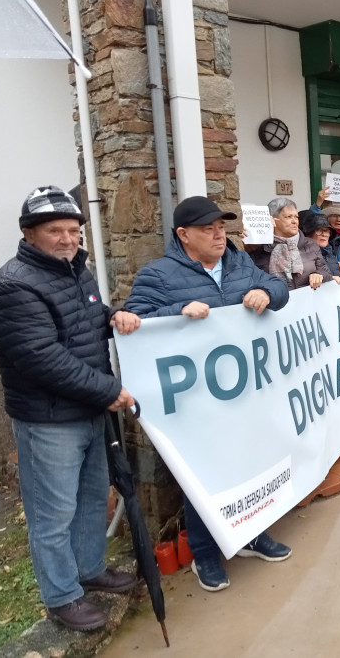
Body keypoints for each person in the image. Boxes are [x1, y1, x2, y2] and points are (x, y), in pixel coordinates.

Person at [0, 186, 140, 631]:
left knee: (91, 499)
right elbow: (42, 357)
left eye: (73, 230)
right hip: (48, 419)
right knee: (52, 513)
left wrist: (112, 316)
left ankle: (89, 570)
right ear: (28, 233)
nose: (68, 239)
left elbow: (83, 319)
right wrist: (108, 389)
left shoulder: (76, 271)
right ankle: (61, 595)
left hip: (88, 409)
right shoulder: (15, 284)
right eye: (56, 230)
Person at [126, 196, 292, 592]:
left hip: (245, 392)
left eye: (221, 227)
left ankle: (252, 533)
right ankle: (204, 554)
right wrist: (178, 308)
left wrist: (268, 295)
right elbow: (134, 322)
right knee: (206, 472)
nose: (219, 235)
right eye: (208, 229)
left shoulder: (239, 263)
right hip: (197, 400)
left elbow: (278, 287)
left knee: (250, 461)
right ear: (183, 235)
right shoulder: (158, 274)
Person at [265, 198, 335, 290]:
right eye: (288, 217)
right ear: (273, 220)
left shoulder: (310, 244)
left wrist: (319, 274)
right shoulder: (261, 248)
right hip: (278, 303)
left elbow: (326, 272)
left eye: (296, 217)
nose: (294, 221)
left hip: (309, 302)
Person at [301, 211, 340, 280]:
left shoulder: (330, 254)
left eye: (327, 231)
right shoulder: (303, 256)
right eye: (319, 230)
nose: (324, 234)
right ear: (309, 234)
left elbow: (335, 278)